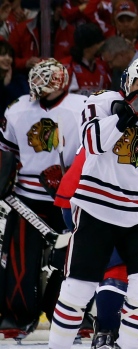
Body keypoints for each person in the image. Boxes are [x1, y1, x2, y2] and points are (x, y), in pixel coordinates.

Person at [47, 56, 138, 349]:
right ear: (127, 82)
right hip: (95, 208)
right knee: (77, 291)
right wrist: (125, 115)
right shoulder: (101, 102)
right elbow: (93, 143)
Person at [0, 58, 85, 339]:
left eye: (44, 85)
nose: (37, 91)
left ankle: (71, 315)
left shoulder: (82, 109)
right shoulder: (17, 109)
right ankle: (18, 315)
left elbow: (94, 152)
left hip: (70, 200)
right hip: (25, 200)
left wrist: (75, 176)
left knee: (72, 262)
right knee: (20, 259)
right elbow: (5, 150)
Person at [61, 22, 111, 96]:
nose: (102, 44)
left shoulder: (103, 65)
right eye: (98, 42)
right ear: (87, 47)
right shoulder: (66, 67)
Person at [0, 40, 28, 116]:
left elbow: (24, 101)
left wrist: (8, 86)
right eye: (3, 55)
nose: (7, 58)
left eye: (10, 55)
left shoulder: (19, 79)